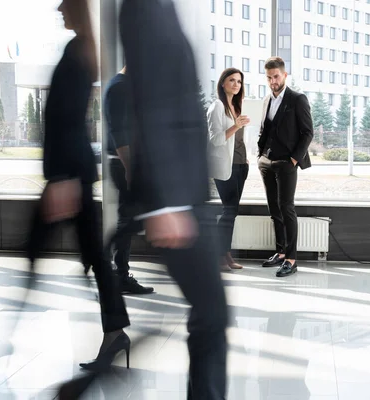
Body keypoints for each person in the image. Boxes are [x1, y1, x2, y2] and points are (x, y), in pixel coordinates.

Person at [120, 0, 228, 398]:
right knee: (211, 316)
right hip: (175, 200)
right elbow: (152, 104)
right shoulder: (145, 8)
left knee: (210, 317)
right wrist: (165, 203)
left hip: (185, 196)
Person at [25, 0, 131, 370]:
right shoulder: (81, 49)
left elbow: (65, 119)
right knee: (91, 257)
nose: (58, 9)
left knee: (39, 249)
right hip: (71, 172)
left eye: (64, 4)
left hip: (68, 174)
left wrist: (62, 179)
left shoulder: (77, 51)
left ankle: (8, 338)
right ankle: (116, 332)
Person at [258, 57, 314, 278]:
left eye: (276, 76)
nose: (273, 81)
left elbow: (308, 132)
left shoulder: (297, 99)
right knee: (274, 209)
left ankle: (291, 259)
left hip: (286, 163)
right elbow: (265, 130)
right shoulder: (266, 100)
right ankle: (280, 252)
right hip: (266, 162)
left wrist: (293, 160)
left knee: (286, 208)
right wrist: (260, 156)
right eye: (269, 78)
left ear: (284, 75)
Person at [104, 66, 154, 294]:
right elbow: (118, 132)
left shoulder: (125, 87)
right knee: (129, 218)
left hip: (128, 162)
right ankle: (117, 274)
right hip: (123, 162)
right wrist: (130, 168)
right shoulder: (119, 87)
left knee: (131, 217)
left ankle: (115, 270)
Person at [207, 68, 250, 272]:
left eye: (239, 81)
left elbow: (239, 140)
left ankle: (224, 255)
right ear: (222, 83)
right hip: (226, 166)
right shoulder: (216, 106)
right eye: (231, 80)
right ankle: (220, 255)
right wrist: (236, 126)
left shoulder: (237, 106)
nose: (236, 84)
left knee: (232, 211)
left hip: (242, 164)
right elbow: (215, 139)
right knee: (229, 210)